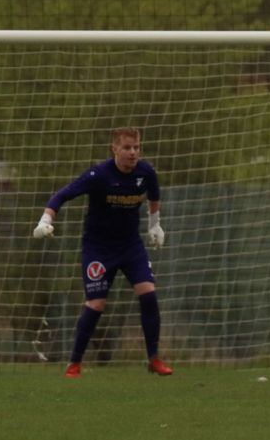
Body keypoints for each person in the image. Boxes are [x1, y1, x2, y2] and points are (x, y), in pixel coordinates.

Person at [33, 127, 173, 379]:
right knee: (96, 304)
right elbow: (61, 196)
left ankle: (154, 359)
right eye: (127, 148)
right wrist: (45, 220)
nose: (133, 153)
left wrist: (155, 224)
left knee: (148, 293)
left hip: (130, 246)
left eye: (136, 147)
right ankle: (74, 363)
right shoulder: (98, 175)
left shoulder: (146, 172)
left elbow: (154, 196)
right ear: (115, 149)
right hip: (98, 248)